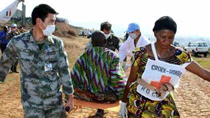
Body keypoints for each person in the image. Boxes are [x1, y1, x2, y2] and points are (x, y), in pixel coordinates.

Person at [119, 16, 210, 118]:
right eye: (163, 37)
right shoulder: (141, 53)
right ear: (155, 33)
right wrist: (123, 101)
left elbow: (204, 73)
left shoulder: (180, 56)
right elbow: (131, 79)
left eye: (171, 38)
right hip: (139, 101)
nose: (167, 41)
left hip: (162, 100)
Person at [0, 4, 74, 118]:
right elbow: (4, 64)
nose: (54, 25)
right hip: (31, 104)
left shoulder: (57, 43)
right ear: (39, 21)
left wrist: (70, 97)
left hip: (54, 103)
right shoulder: (18, 42)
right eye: (51, 21)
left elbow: (64, 70)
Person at [71, 31, 126, 117]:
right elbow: (117, 78)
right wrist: (123, 96)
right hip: (107, 97)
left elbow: (75, 76)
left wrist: (82, 89)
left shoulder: (84, 56)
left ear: (92, 42)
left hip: (89, 96)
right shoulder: (112, 56)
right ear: (105, 42)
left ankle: (99, 109)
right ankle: (101, 109)